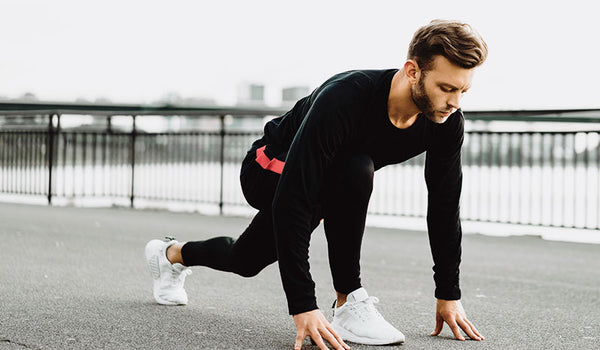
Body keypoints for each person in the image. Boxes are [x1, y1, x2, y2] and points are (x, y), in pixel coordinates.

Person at [145, 19, 488, 349]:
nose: (455, 102)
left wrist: (448, 293)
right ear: (413, 71)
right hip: (268, 168)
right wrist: (303, 305)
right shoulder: (346, 97)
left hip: (328, 178)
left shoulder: (447, 122)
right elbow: (294, 197)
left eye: (463, 90)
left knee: (246, 259)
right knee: (356, 166)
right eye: (446, 88)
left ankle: (170, 254)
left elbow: (444, 205)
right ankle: (348, 301)